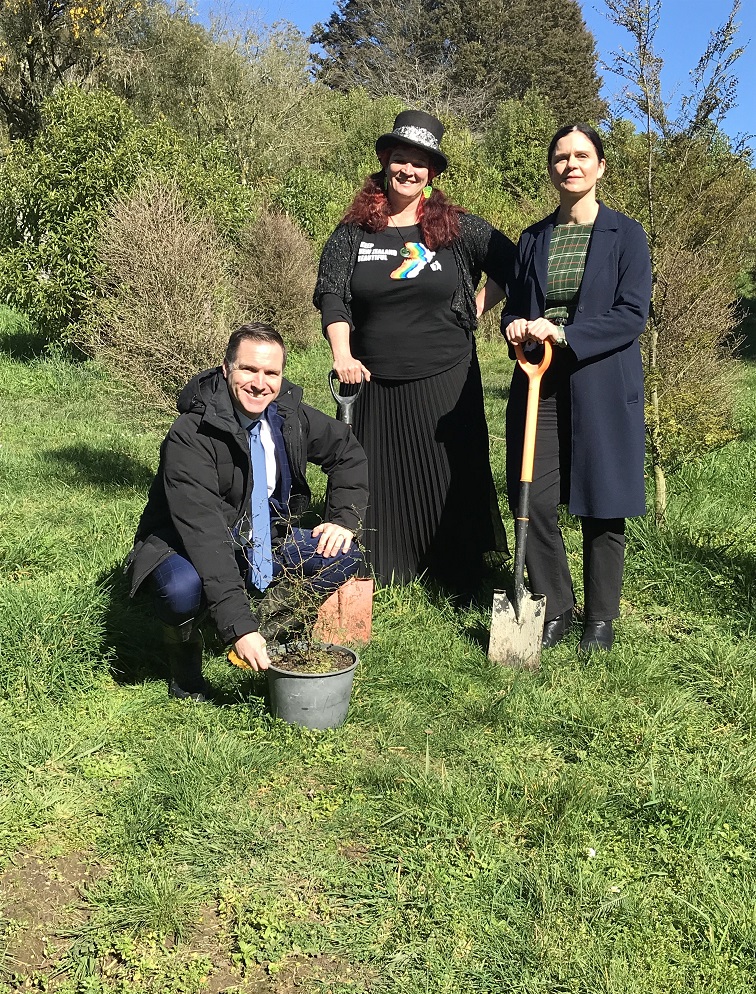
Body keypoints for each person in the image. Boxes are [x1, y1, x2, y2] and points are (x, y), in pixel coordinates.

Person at [314, 109, 515, 599]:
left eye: (419, 163)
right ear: (385, 162)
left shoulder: (457, 229)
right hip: (371, 377)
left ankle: (454, 571)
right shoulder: (353, 233)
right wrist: (343, 353)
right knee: (376, 473)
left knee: (448, 473)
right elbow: (332, 295)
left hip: (447, 376)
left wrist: (476, 307)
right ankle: (382, 567)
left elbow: (515, 262)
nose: (408, 170)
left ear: (432, 174)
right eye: (400, 159)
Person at [125, 322, 369, 701]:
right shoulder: (190, 436)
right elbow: (206, 537)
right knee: (181, 590)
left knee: (343, 554)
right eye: (249, 370)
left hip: (261, 535)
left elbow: (346, 451)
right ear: (226, 370)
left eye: (271, 373)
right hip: (182, 543)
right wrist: (238, 626)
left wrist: (342, 519)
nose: (260, 383)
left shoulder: (288, 417)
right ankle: (186, 673)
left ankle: (269, 633)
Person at [502, 123, 652, 652]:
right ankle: (556, 606)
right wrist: (516, 325)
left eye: (582, 155)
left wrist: (565, 332)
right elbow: (517, 306)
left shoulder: (627, 236)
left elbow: (632, 315)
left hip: (602, 382)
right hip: (538, 384)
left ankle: (601, 619)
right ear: (552, 169)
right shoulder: (533, 238)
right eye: (562, 157)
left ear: (600, 166)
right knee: (534, 498)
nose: (571, 164)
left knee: (602, 501)